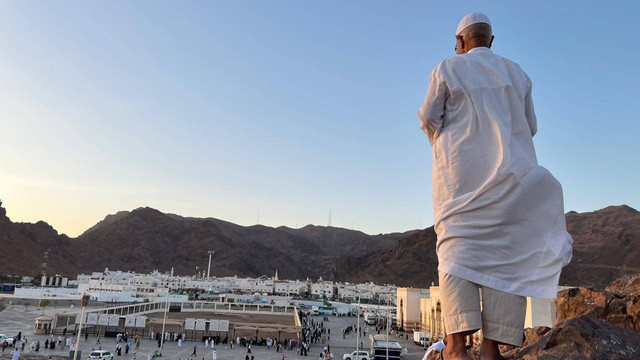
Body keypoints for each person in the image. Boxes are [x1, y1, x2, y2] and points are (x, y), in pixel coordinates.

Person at [417, 12, 573, 360]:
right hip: (511, 188)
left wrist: (451, 140)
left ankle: (455, 349)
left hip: (461, 191)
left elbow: (428, 117)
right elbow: (530, 127)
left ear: (460, 42)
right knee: (508, 259)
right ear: (490, 40)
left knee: (456, 252)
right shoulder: (517, 74)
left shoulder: (447, 69)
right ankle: (490, 349)